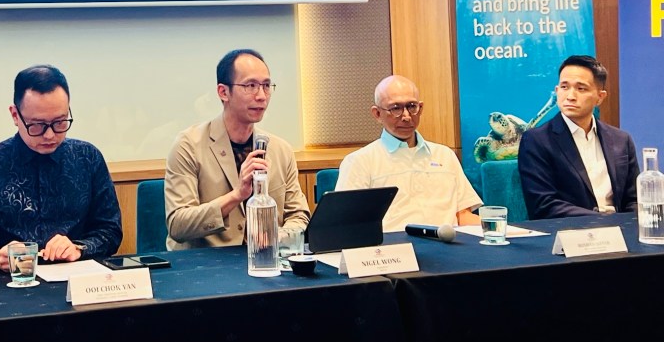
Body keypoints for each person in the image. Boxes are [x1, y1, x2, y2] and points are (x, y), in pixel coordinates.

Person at [0, 64, 122, 270]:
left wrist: (79, 248)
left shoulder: (88, 158)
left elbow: (110, 231)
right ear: (15, 116)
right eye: (37, 125)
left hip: (74, 278)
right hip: (10, 280)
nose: (50, 135)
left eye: (59, 122)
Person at [164, 49, 309, 249]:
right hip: (206, 262)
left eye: (266, 86)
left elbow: (298, 215)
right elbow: (178, 225)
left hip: (266, 258)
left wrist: (279, 237)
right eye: (250, 86)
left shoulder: (281, 150)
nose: (261, 96)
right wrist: (237, 195)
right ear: (223, 92)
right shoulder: (188, 145)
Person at [335, 74, 481, 232]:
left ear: (420, 108)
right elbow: (348, 225)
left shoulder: (445, 155)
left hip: (448, 242)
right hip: (393, 245)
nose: (406, 116)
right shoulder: (360, 161)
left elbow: (463, 216)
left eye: (412, 106)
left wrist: (498, 229)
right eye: (395, 108)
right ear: (377, 114)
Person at [518, 54, 638, 219]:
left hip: (621, 229)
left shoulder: (621, 140)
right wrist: (603, 220)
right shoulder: (536, 140)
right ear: (557, 91)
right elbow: (543, 205)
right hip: (568, 231)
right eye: (564, 87)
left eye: (581, 89)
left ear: (600, 97)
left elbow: (634, 199)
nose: (570, 96)